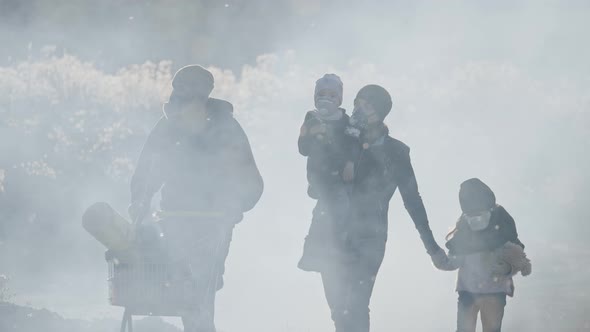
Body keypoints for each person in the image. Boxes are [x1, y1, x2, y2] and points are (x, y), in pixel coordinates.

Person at [128, 65, 264, 332]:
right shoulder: (168, 127)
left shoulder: (226, 128)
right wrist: (139, 202)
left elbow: (251, 179)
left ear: (205, 95)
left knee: (198, 290)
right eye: (182, 91)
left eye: (192, 92)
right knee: (190, 291)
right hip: (176, 221)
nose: (186, 97)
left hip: (213, 223)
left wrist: (234, 208)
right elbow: (148, 171)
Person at [316, 84, 443, 332]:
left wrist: (432, 247)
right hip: (331, 233)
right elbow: (315, 172)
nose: (358, 110)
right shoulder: (339, 138)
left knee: (357, 305)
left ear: (381, 113)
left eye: (367, 105)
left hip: (369, 237)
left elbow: (412, 199)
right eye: (356, 103)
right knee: (338, 309)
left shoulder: (396, 152)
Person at [431, 178, 531, 332]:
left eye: (480, 214)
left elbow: (519, 261)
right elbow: (451, 263)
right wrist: (435, 254)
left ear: (490, 209)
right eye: (471, 215)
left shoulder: (502, 230)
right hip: (468, 295)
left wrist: (507, 268)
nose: (476, 220)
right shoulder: (463, 235)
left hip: (495, 294)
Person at [297, 73, 357, 272]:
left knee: (339, 209)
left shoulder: (346, 121)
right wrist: (312, 134)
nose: (327, 98)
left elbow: (353, 145)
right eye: (322, 94)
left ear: (339, 99)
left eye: (333, 95)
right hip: (319, 177)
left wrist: (350, 162)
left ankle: (339, 250)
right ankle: (314, 253)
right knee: (323, 212)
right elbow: (302, 148)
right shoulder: (311, 119)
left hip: (340, 177)